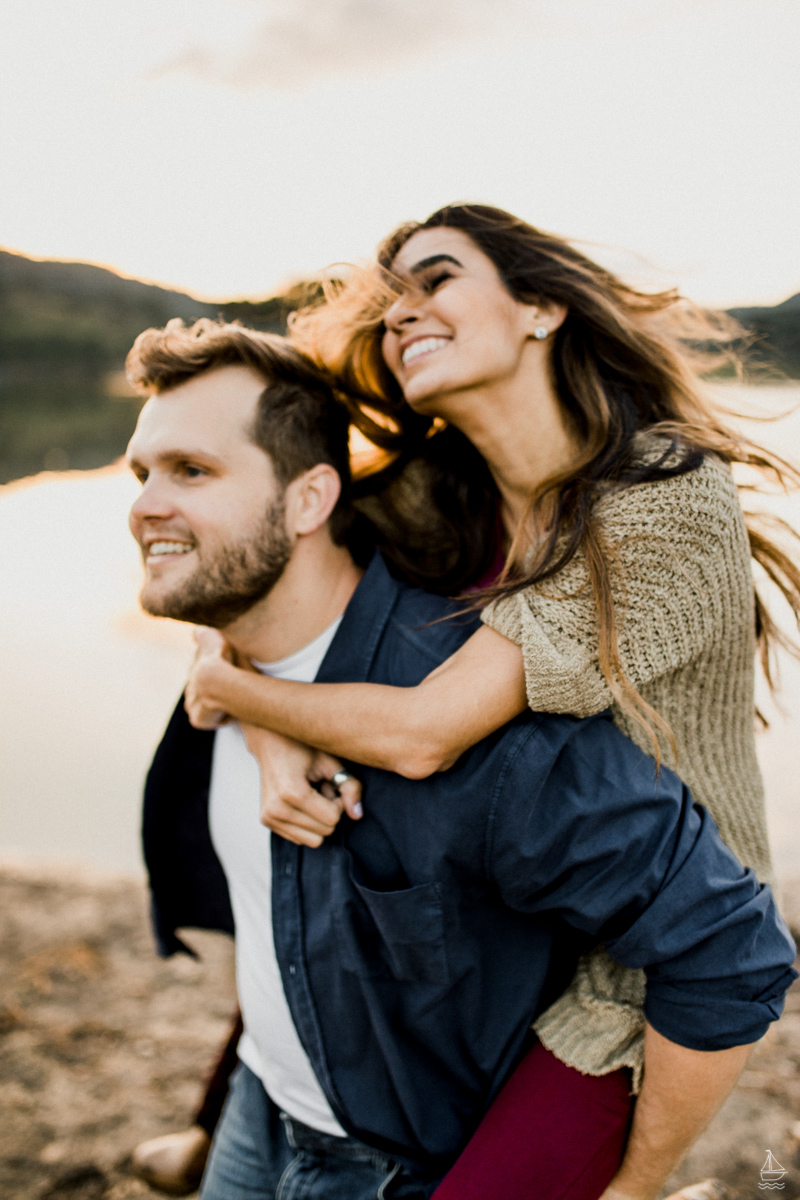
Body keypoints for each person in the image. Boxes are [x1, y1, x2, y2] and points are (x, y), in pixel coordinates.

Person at [177, 205, 800, 1199]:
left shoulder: (660, 501)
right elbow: (265, 567)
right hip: (494, 915)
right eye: (389, 305)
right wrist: (257, 719)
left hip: (644, 950)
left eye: (435, 281)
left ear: (541, 308)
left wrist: (225, 690)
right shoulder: (445, 490)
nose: (402, 316)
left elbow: (425, 734)